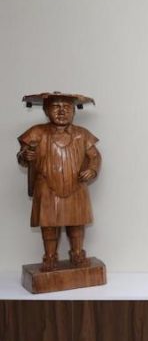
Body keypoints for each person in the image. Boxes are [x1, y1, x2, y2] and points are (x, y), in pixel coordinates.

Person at [17, 92, 101, 272]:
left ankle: (77, 254)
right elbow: (22, 157)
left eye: (67, 107)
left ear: (74, 112)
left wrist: (92, 170)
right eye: (56, 107)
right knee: (48, 225)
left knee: (76, 223)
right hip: (47, 186)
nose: (62, 111)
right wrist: (25, 156)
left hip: (76, 185)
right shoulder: (36, 133)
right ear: (46, 110)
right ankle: (50, 257)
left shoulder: (82, 134)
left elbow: (95, 156)